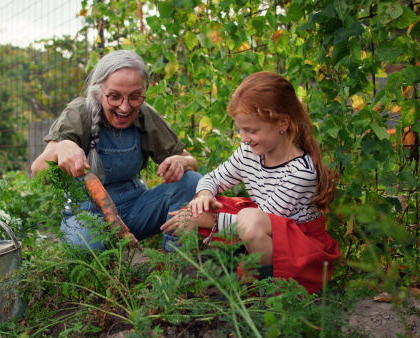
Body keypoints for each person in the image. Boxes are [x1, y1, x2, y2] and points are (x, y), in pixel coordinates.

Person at [161, 72, 340, 294]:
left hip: (299, 248)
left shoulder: (300, 172)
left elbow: (265, 219)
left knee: (242, 219)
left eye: (252, 130)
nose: (244, 138)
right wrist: (204, 195)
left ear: (283, 123)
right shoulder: (250, 151)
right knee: (201, 207)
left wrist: (205, 219)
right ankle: (234, 268)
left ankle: (267, 291)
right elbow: (213, 178)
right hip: (263, 227)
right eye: (241, 130)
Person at [31, 50, 202, 252]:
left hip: (136, 211)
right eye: (114, 97)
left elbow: (191, 162)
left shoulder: (145, 115)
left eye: (135, 97)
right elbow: (38, 172)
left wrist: (181, 162)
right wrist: (60, 148)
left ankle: (175, 262)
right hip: (87, 215)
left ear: (144, 91)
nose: (124, 107)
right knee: (88, 247)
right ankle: (103, 259)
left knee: (191, 181)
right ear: (98, 91)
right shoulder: (79, 113)